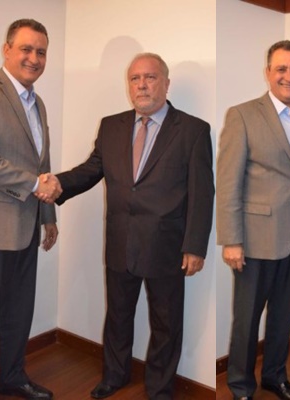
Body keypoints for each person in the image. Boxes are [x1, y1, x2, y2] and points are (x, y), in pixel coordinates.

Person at [53, 53, 214, 400]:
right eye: (135, 78)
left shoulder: (193, 130)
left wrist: (195, 246)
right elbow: (92, 169)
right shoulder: (111, 126)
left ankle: (160, 388)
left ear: (166, 83)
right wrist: (58, 184)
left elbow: (203, 193)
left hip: (167, 245)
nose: (142, 85)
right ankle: (114, 376)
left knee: (166, 323)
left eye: (150, 77)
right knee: (118, 315)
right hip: (121, 240)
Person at [217, 40, 290, 400]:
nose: (289, 76)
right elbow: (228, 182)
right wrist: (232, 239)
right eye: (281, 69)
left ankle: (275, 376)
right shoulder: (243, 115)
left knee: (283, 315)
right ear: (268, 73)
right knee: (246, 320)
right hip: (254, 239)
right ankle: (240, 386)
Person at [0, 19, 61, 400]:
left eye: (41, 51)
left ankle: (12, 377)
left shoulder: (38, 103)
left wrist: (48, 216)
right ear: (7, 50)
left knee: (19, 310)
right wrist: (35, 185)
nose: (34, 58)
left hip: (27, 224)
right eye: (26, 49)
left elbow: (42, 163)